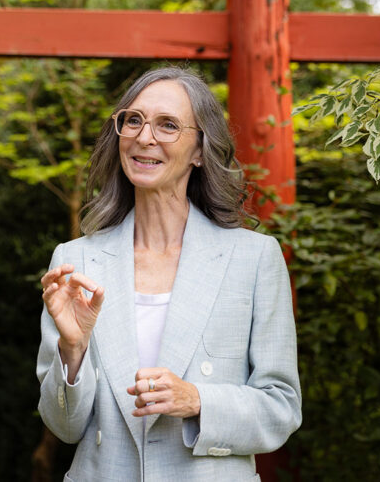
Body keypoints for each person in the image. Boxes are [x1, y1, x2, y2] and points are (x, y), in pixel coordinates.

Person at [37, 66, 301, 481]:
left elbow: (281, 408)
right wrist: (73, 352)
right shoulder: (77, 262)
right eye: (134, 120)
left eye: (168, 125)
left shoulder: (253, 259)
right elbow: (64, 426)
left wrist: (196, 399)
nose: (145, 137)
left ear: (199, 150)